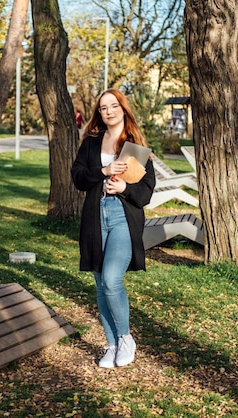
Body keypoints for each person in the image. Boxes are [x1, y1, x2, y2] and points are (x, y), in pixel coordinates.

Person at [71, 89, 156, 368]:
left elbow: (145, 193)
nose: (108, 111)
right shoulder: (92, 144)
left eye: (113, 106)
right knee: (99, 283)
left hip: (122, 217)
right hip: (95, 217)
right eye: (103, 107)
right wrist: (104, 172)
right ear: (100, 113)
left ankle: (125, 337)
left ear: (123, 108)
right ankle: (111, 344)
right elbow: (79, 178)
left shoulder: (135, 147)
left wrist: (124, 187)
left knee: (110, 279)